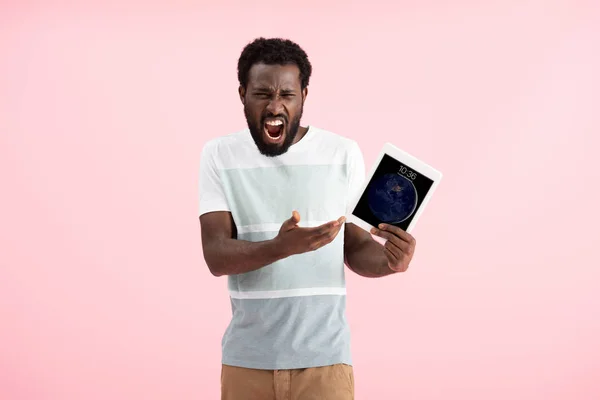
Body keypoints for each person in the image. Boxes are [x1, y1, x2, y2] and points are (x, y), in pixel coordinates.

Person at [198, 37, 417, 400]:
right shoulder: (218, 155)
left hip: (326, 363)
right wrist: (281, 247)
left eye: (287, 94)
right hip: (246, 361)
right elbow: (216, 255)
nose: (275, 105)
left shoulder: (342, 153)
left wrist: (390, 261)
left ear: (304, 95)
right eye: (262, 94)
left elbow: (357, 247)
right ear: (242, 94)